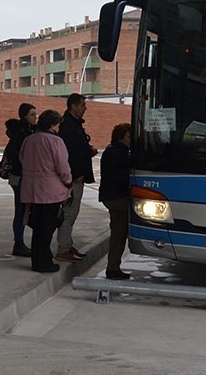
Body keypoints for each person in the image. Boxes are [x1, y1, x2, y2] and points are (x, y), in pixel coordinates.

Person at [19, 110, 72, 273]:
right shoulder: (56, 141)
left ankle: (37, 260)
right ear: (52, 124)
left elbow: (22, 158)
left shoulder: (29, 139)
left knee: (37, 227)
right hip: (50, 190)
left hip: (32, 188)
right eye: (57, 124)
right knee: (47, 228)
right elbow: (62, 166)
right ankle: (44, 262)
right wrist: (68, 182)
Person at [55, 93, 97, 262]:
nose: (85, 108)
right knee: (69, 213)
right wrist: (76, 174)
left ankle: (68, 244)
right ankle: (63, 248)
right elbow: (70, 152)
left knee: (72, 212)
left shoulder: (74, 124)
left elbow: (78, 147)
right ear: (73, 106)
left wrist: (88, 150)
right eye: (82, 105)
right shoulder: (68, 126)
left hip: (77, 175)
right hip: (73, 177)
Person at [99, 123, 132, 280]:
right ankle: (113, 268)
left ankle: (113, 266)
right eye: (129, 137)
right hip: (117, 197)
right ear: (121, 137)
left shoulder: (115, 151)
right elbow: (116, 176)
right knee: (119, 234)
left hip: (113, 196)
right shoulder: (116, 153)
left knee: (118, 233)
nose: (131, 139)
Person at [4, 103, 38, 257]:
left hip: (23, 176)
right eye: (32, 114)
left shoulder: (29, 131)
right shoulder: (20, 133)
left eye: (36, 114)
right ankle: (18, 243)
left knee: (23, 209)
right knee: (21, 210)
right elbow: (16, 155)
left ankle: (19, 242)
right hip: (20, 176)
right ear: (24, 115)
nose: (35, 117)